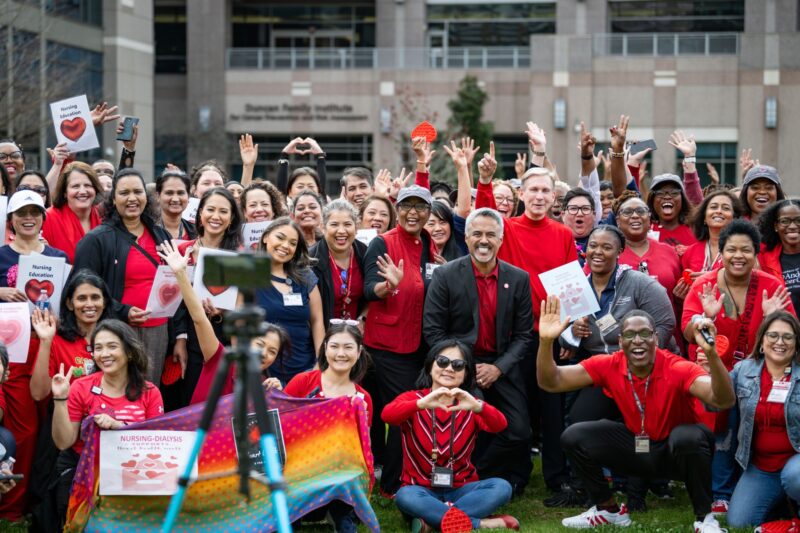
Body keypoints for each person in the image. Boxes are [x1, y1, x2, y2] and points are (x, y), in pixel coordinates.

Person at [537, 297, 735, 532]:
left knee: (689, 436)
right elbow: (551, 382)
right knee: (574, 436)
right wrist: (546, 342)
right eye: (630, 335)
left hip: (676, 453)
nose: (638, 340)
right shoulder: (609, 364)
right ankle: (607, 511)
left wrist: (711, 355)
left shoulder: (677, 367)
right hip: (638, 447)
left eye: (645, 334)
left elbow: (723, 399)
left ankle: (705, 519)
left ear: (656, 339)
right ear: (620, 342)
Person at [475, 163, 577, 493]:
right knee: (515, 405)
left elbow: (569, 285)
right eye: (532, 189)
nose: (539, 195)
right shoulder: (507, 229)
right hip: (512, 334)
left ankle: (556, 475)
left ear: (554, 196)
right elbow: (483, 218)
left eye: (545, 190)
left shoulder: (563, 233)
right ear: (521, 194)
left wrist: (568, 331)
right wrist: (486, 182)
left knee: (551, 407)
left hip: (548, 333)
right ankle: (516, 475)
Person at [682, 219, 794, 512]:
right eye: (731, 249)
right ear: (722, 251)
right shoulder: (705, 284)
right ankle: (721, 491)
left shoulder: (771, 285)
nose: (738, 256)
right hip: (715, 370)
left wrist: (772, 317)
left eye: (746, 250)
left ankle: (765, 481)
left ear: (756, 254)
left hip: (760, 372)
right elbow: (687, 326)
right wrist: (706, 319)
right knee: (723, 418)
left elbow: (791, 330)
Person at [423, 207, 534, 494]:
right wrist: (466, 367)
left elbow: (524, 335)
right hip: (459, 366)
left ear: (501, 239)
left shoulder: (519, 278)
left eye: (490, 235)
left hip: (501, 364)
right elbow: (433, 331)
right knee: (466, 426)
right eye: (477, 234)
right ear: (467, 237)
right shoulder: (446, 275)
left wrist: (498, 368)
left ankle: (477, 474)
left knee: (519, 431)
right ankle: (465, 479)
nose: (483, 240)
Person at [383, 340, 519, 532]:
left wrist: (479, 407)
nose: (449, 368)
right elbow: (387, 415)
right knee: (405, 496)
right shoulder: (413, 399)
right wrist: (420, 405)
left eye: (457, 365)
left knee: (502, 487)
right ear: (430, 366)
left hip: (462, 490)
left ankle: (434, 520)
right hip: (421, 490)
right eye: (442, 361)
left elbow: (500, 425)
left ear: (465, 375)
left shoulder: (470, 403)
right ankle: (478, 523)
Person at [50, 319, 164, 527]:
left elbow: (154, 445)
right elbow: (63, 443)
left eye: (112, 346)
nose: (104, 354)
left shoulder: (150, 392)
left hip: (131, 472)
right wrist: (60, 399)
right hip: (82, 471)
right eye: (98, 348)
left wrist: (118, 427)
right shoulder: (81, 387)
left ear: (129, 352)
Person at [363, 185, 437, 496]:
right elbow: (367, 289)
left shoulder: (427, 243)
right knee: (406, 412)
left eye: (421, 207)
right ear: (398, 210)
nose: (413, 212)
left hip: (419, 343)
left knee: (407, 411)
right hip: (387, 347)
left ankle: (402, 475)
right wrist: (387, 286)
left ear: (428, 214)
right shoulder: (382, 242)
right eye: (407, 206)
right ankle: (392, 483)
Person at [72, 168, 172, 382]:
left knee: (148, 397)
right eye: (124, 193)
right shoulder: (96, 239)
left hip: (159, 331)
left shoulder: (160, 235)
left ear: (147, 196)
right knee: (117, 392)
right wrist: (123, 311)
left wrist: (179, 337)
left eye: (138, 191)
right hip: (116, 330)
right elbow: (81, 290)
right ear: (113, 199)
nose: (132, 198)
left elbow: (176, 283)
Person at [156, 240, 283, 404]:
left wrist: (278, 394)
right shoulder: (219, 359)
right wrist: (181, 274)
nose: (264, 353)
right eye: (260, 344)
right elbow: (199, 318)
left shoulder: (265, 386)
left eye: (272, 351)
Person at [724, 311, 800, 528]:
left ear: (796, 343)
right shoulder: (743, 370)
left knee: (796, 477)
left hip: (797, 463)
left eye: (788, 336)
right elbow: (717, 399)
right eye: (773, 335)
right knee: (739, 523)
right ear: (762, 341)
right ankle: (785, 507)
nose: (780, 342)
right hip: (761, 467)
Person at [257, 217, 325, 383]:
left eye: (293, 243)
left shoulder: (305, 277)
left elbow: (317, 322)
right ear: (266, 237)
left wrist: (319, 363)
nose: (286, 246)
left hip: (306, 370)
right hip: (265, 372)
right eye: (280, 238)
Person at [30, 270, 113, 401]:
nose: (90, 304)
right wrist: (45, 341)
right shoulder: (55, 340)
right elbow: (38, 394)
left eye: (95, 297)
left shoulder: (116, 338)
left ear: (105, 302)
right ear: (69, 304)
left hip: (109, 416)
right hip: (67, 416)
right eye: (82, 298)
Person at [614, 195, 682, 304]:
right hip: (620, 320)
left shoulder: (669, 252)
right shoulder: (607, 253)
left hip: (664, 319)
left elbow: (679, 298)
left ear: (649, 218)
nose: (635, 215)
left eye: (641, 211)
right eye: (627, 212)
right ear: (618, 221)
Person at [309, 199, 367, 324]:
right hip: (324, 334)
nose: (341, 231)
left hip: (357, 335)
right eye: (334, 224)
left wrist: (363, 320)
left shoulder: (365, 253)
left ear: (356, 227)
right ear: (323, 227)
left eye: (347, 224)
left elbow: (372, 296)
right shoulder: (310, 259)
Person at [41, 162, 104, 263]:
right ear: (65, 192)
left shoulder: (104, 217)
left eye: (88, 185)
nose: (83, 191)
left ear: (95, 189)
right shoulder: (48, 218)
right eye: (75, 186)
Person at [681, 189, 742, 274]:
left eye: (726, 208)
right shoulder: (690, 252)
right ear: (704, 217)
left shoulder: (742, 249)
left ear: (734, 218)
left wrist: (709, 278)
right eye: (713, 207)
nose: (719, 211)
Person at [758, 199, 800, 311]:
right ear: (776, 226)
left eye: (798, 220)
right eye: (785, 221)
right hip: (784, 325)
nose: (792, 226)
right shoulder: (764, 260)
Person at [646, 174, 697, 254]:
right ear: (652, 199)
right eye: (660, 193)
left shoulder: (695, 229)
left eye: (674, 193)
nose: (667, 197)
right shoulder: (645, 231)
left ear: (682, 198)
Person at [155, 168, 196, 240]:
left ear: (188, 196)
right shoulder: (148, 231)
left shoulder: (198, 233)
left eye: (180, 193)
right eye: (169, 193)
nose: (175, 199)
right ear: (158, 196)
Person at [561, 189, 596, 266]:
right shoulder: (553, 243)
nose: (579, 214)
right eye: (573, 208)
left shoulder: (604, 241)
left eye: (585, 208)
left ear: (594, 215)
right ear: (563, 215)